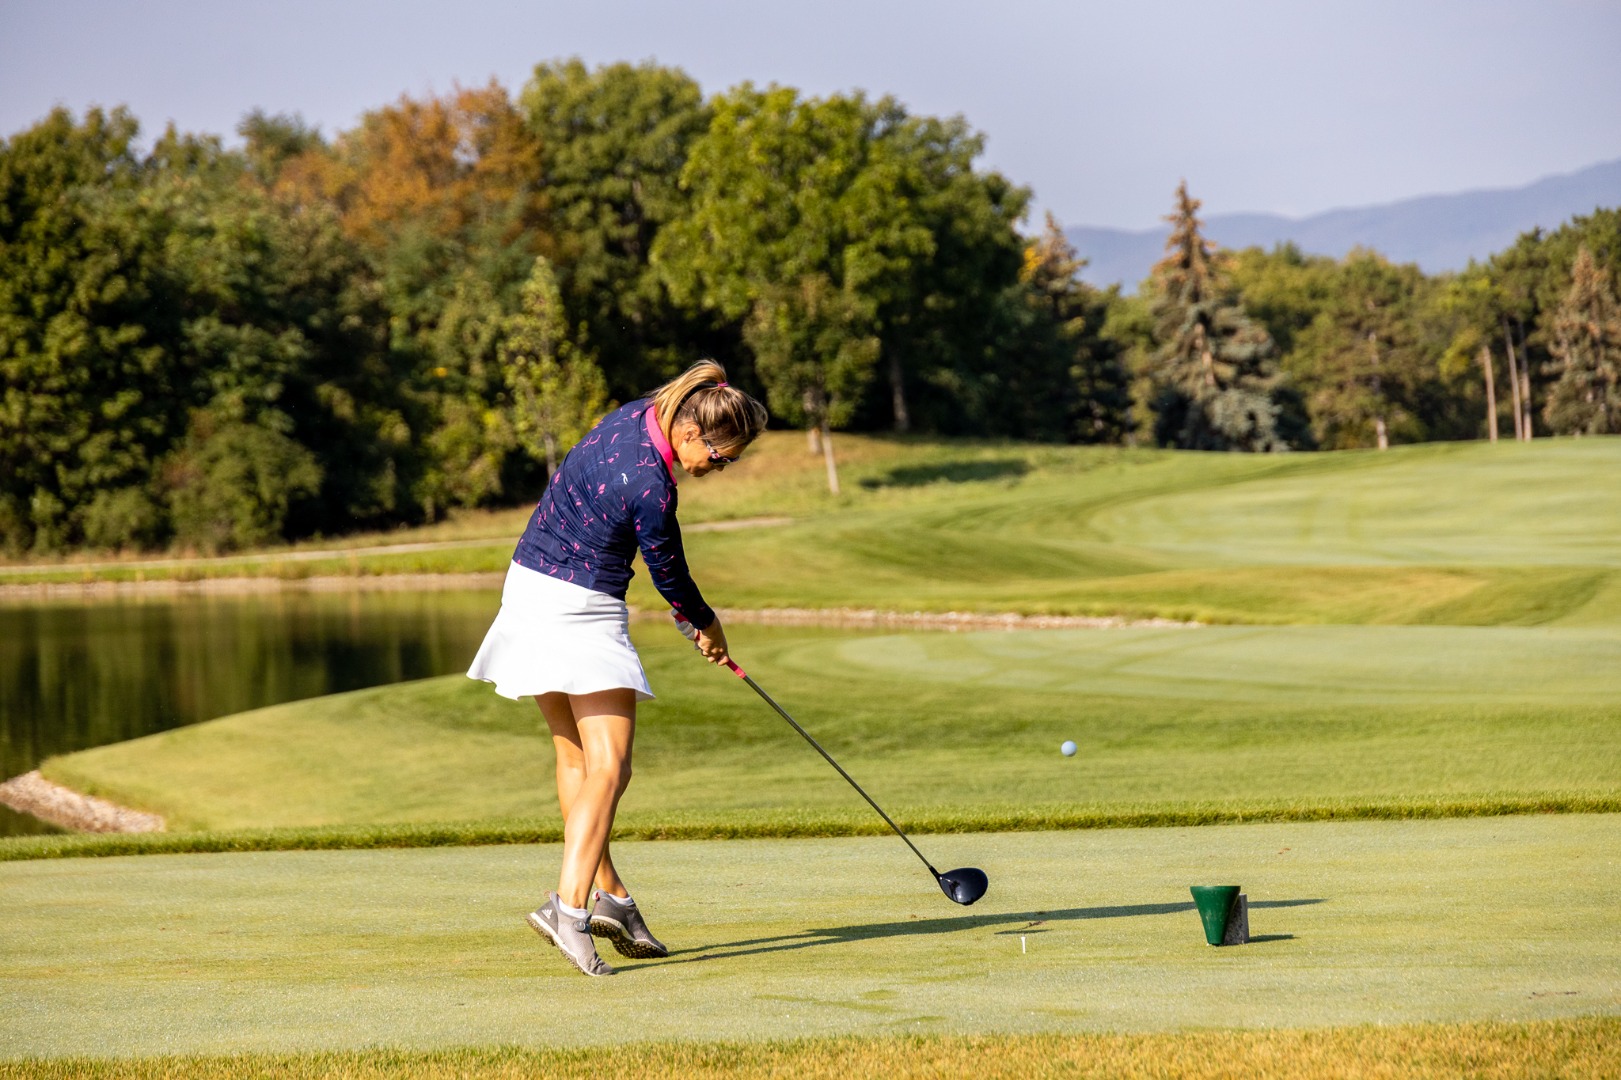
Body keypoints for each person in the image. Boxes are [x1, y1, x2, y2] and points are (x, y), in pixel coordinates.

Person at [467, 360, 768, 976]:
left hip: (526, 587)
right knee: (611, 764)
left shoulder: (635, 414)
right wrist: (706, 625)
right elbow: (670, 574)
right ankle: (567, 909)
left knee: (576, 758)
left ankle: (612, 897)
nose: (718, 468)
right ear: (691, 433)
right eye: (721, 457)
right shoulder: (653, 487)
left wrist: (690, 620)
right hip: (579, 607)